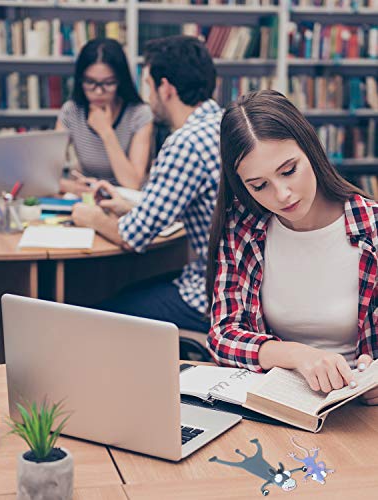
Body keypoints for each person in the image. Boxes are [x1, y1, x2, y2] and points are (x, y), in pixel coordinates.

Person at [206, 90, 377, 404]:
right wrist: (297, 355)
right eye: (259, 185)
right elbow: (222, 335)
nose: (282, 194)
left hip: (359, 409)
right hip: (277, 403)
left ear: (310, 148)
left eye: (288, 171)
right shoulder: (244, 228)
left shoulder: (371, 229)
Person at [71, 35, 221, 333]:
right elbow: (191, 204)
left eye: (150, 86)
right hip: (235, 284)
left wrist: (86, 215)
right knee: (130, 291)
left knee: (93, 316)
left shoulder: (184, 142)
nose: (149, 97)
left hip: (211, 296)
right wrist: (128, 205)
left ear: (165, 88)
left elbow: (131, 237)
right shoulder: (225, 122)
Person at [55, 38, 153, 193]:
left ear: (120, 81)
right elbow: (47, 175)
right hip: (86, 197)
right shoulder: (72, 111)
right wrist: (74, 187)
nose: (98, 91)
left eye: (108, 83)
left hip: (124, 201)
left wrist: (106, 132)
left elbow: (133, 183)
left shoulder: (139, 114)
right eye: (90, 82)